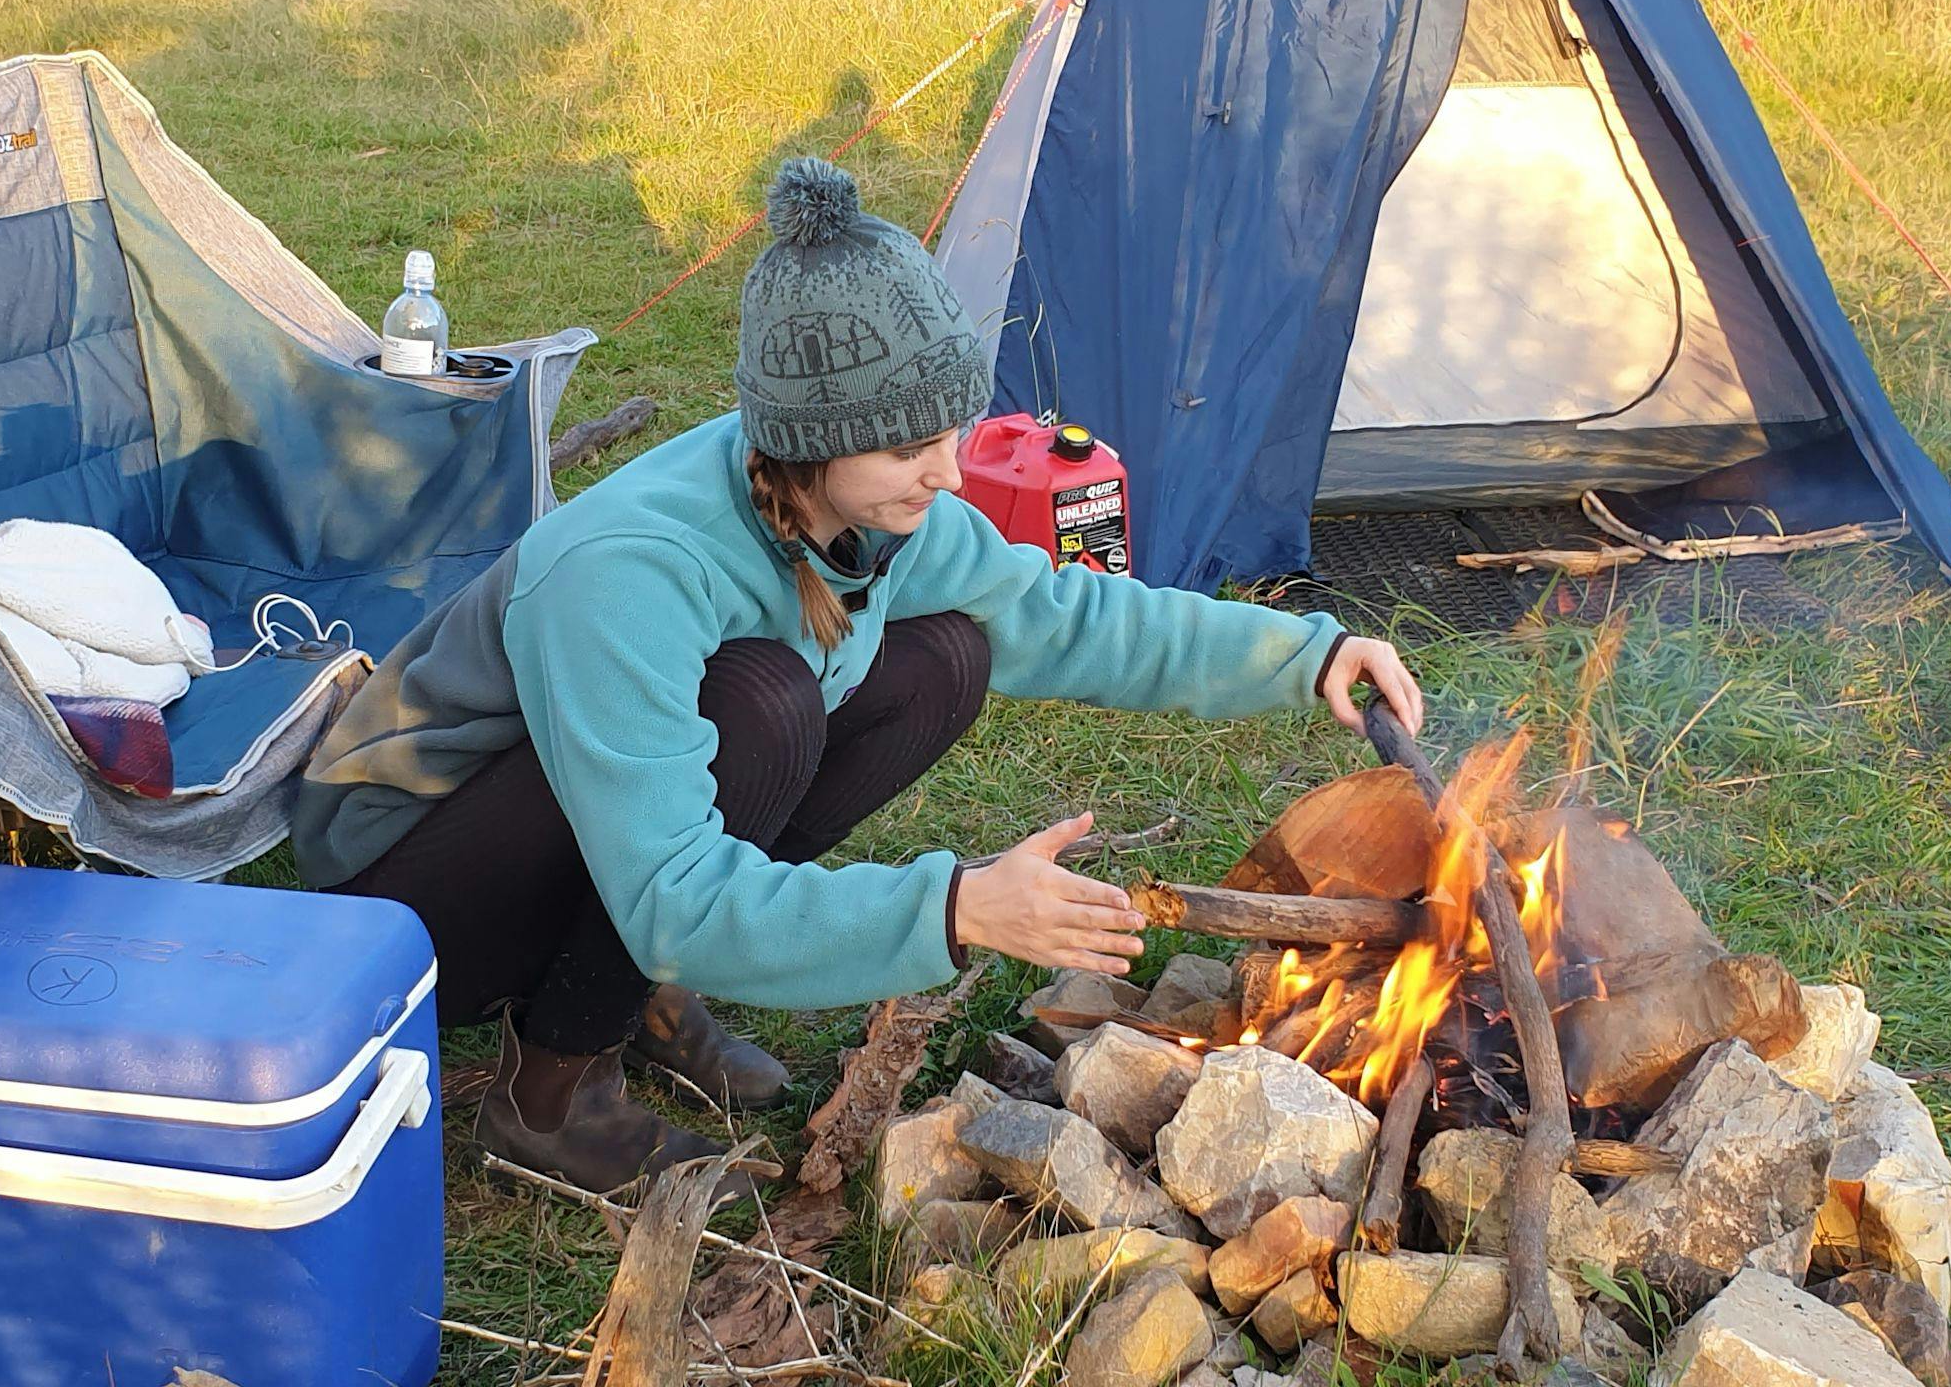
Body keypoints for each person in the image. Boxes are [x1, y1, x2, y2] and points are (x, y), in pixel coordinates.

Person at [292, 157, 1427, 1186]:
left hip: (588, 833)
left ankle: (633, 986)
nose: (949, 474)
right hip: (399, 900)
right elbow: (677, 894)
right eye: (907, 447)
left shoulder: (863, 507)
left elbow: (1058, 614)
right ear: (807, 438)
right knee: (762, 704)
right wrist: (958, 907)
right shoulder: (627, 572)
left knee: (946, 657)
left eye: (952, 433)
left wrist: (1306, 654)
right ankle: (548, 1094)